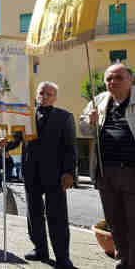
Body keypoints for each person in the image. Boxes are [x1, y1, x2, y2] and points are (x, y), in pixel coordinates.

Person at [79, 63, 135, 269]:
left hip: (132, 171)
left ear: (130, 80)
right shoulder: (99, 100)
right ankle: (123, 259)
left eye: (118, 78)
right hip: (105, 171)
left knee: (133, 220)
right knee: (114, 219)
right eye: (109, 79)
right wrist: (89, 122)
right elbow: (83, 128)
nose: (113, 82)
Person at [21, 81, 76, 269]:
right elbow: (16, 139)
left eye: (49, 94)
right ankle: (40, 249)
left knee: (57, 216)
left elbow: (70, 148)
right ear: (37, 94)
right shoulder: (26, 117)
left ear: (55, 97)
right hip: (31, 173)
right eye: (42, 93)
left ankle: (63, 257)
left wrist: (69, 172)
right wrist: (5, 144)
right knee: (34, 214)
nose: (45, 96)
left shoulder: (65, 117)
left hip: (55, 175)